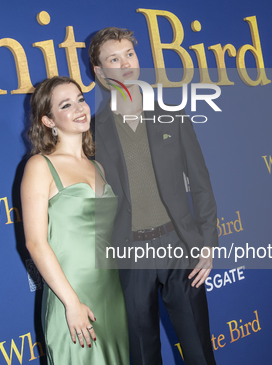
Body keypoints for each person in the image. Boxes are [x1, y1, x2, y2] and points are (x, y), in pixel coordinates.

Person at [90, 27, 218, 364]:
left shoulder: (173, 117)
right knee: (143, 356)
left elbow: (202, 184)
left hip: (179, 249)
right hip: (130, 256)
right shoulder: (91, 133)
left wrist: (207, 241)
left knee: (199, 353)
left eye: (129, 54)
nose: (125, 64)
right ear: (100, 74)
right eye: (113, 59)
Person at [21, 76, 129, 364]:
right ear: (48, 121)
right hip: (70, 292)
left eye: (81, 99)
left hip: (110, 290)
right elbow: (35, 242)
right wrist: (71, 303)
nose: (80, 108)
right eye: (66, 105)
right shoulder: (40, 166)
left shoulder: (98, 166)